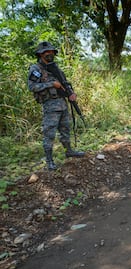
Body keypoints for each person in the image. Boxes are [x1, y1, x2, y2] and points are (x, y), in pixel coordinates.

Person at [28, 41, 85, 171]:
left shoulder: (56, 68)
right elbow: (32, 87)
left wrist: (71, 93)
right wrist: (51, 84)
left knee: (65, 129)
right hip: (50, 105)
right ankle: (49, 161)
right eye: (46, 52)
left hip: (62, 104)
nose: (49, 54)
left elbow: (65, 83)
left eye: (51, 51)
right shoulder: (36, 69)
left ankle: (69, 151)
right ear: (40, 54)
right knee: (49, 133)